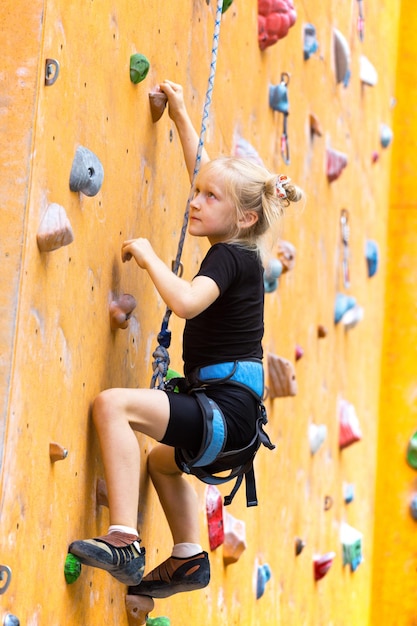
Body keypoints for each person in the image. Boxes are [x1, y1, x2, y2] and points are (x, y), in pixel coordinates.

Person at [68, 80, 303, 598]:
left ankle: (125, 542)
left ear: (243, 215)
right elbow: (208, 174)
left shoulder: (228, 256)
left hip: (224, 412)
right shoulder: (241, 245)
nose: (194, 201)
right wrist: (178, 116)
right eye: (196, 193)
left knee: (112, 406)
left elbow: (187, 302)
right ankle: (189, 556)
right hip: (234, 419)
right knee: (157, 461)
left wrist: (151, 256)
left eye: (207, 197)